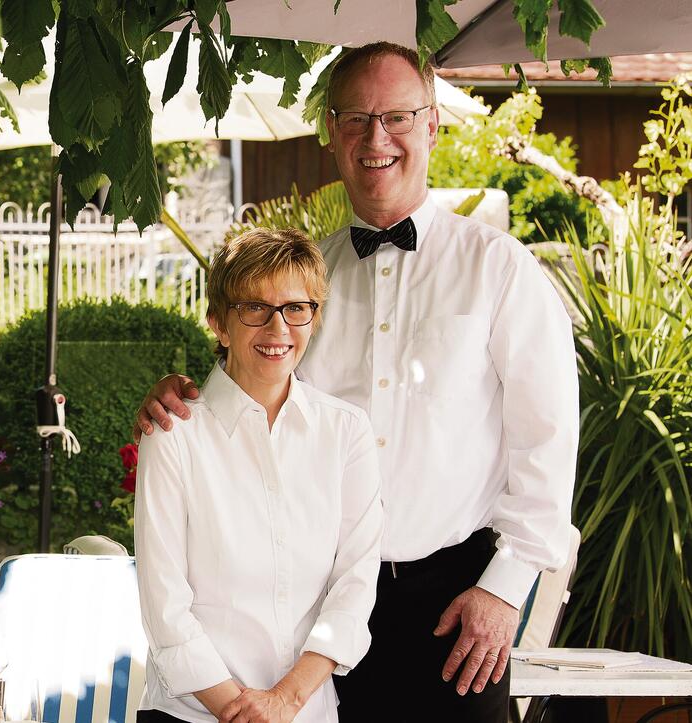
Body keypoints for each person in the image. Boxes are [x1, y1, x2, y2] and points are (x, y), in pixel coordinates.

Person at [134, 42, 579, 722]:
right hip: (323, 612)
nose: (377, 138)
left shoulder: (500, 269)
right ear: (332, 133)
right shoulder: (305, 282)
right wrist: (178, 392)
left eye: (397, 117)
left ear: (432, 125)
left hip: (457, 601)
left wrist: (504, 588)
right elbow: (252, 395)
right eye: (356, 118)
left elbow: (548, 440)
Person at [135, 228, 383, 723]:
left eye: (296, 308)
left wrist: (284, 701)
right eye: (254, 308)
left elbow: (354, 585)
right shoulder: (173, 435)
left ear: (314, 318)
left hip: (306, 712)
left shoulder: (347, 432)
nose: (278, 329)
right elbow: (164, 608)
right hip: (193, 714)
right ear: (219, 323)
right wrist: (244, 713)